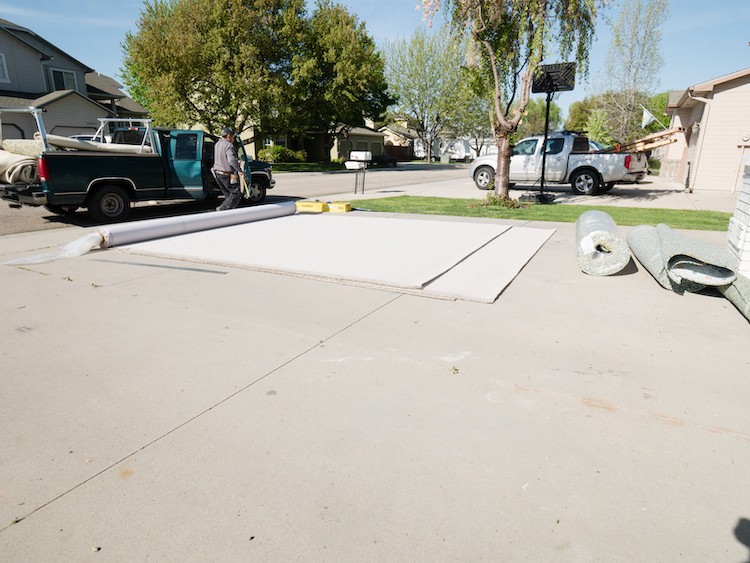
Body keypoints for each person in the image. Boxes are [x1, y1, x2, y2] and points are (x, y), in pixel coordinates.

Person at [212, 127, 244, 211]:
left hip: (217, 174)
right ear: (229, 136)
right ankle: (221, 209)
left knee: (228, 196)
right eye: (233, 137)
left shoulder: (217, 144)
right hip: (225, 175)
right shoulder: (229, 145)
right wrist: (239, 170)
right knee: (235, 193)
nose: (233, 139)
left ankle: (227, 215)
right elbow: (232, 160)